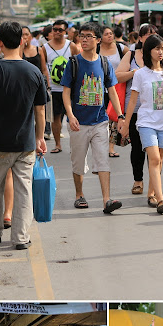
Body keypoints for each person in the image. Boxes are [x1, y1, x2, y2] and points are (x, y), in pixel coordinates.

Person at [0, 21, 47, 249]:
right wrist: (40, 137)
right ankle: (21, 237)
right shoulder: (34, 71)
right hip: (25, 143)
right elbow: (40, 110)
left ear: (0, 43)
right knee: (24, 189)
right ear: (23, 41)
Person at [61, 21, 123, 215]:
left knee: (103, 159)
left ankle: (107, 200)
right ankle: (79, 194)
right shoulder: (73, 63)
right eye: (82, 36)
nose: (84, 39)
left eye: (89, 36)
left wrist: (120, 115)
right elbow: (66, 92)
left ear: (98, 39)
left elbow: (112, 91)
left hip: (100, 121)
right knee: (78, 162)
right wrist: (70, 116)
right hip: (78, 122)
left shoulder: (104, 63)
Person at [119, 34, 163, 213]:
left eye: (162, 48)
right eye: (157, 48)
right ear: (148, 51)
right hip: (146, 122)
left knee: (159, 160)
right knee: (153, 158)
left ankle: (152, 193)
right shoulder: (141, 74)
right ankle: (160, 199)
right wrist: (126, 123)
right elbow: (132, 101)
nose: (161, 52)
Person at [116, 22, 163, 198]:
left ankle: (154, 188)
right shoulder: (130, 55)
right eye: (147, 34)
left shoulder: (161, 57)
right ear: (140, 38)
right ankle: (138, 180)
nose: (151, 37)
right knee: (137, 148)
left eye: (154, 34)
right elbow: (117, 75)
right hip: (136, 109)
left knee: (157, 153)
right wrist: (134, 73)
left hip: (158, 111)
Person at [43, 19, 80, 153]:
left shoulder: (71, 46)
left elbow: (78, 64)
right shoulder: (45, 48)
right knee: (56, 117)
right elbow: (44, 69)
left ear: (65, 32)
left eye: (60, 30)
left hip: (70, 88)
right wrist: (47, 85)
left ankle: (75, 144)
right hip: (54, 88)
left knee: (73, 116)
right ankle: (58, 144)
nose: (57, 32)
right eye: (55, 29)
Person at [97, 26, 127, 158]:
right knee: (102, 118)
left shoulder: (121, 48)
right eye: (106, 34)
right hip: (99, 88)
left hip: (117, 88)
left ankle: (111, 147)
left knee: (115, 118)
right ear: (100, 37)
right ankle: (101, 144)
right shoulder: (96, 49)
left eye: (111, 33)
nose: (109, 36)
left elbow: (130, 61)